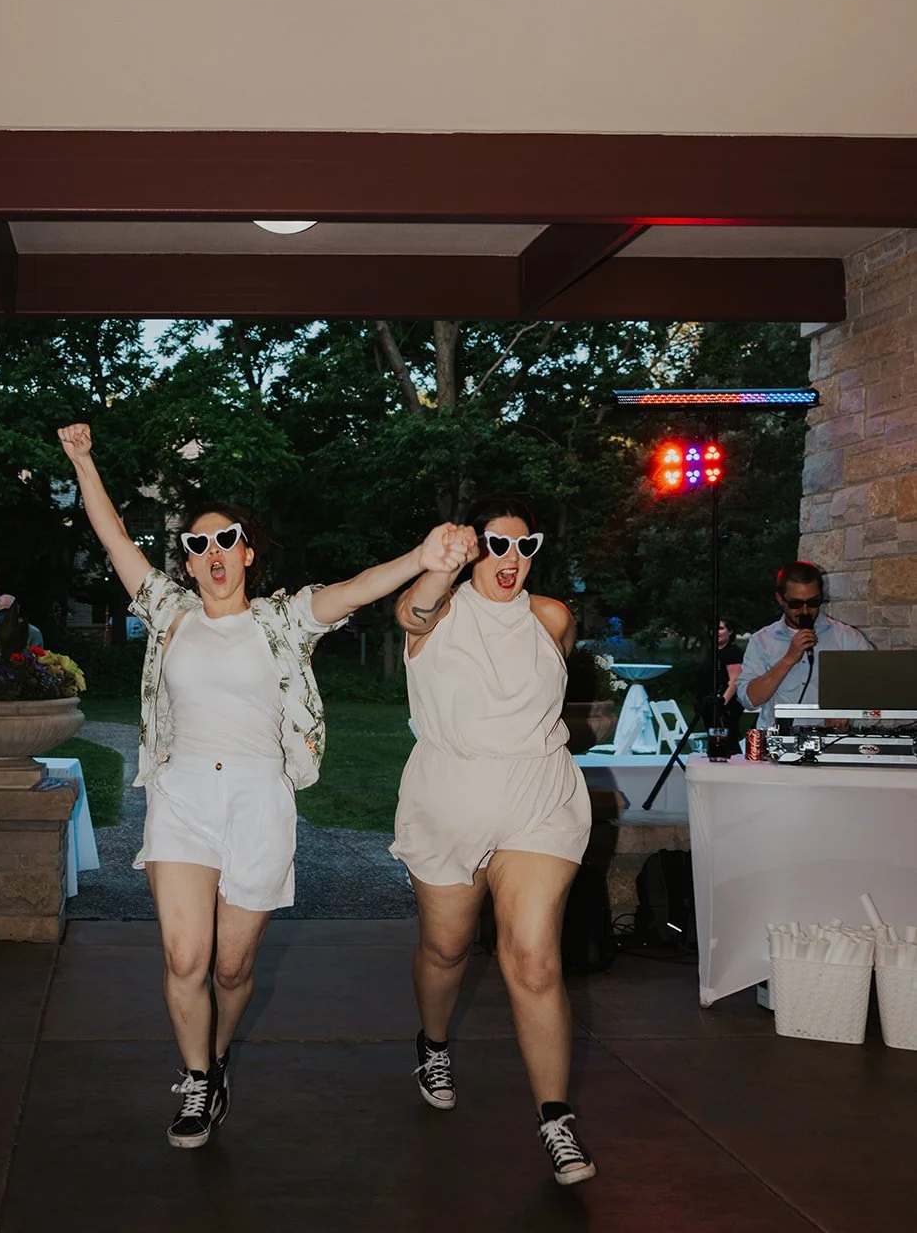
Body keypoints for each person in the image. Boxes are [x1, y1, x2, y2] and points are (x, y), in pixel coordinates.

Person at [57, 421, 468, 1150]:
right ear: (185, 564)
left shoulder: (281, 621)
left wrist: (420, 557)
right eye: (197, 545)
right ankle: (196, 1079)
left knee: (230, 965)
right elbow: (115, 537)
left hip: (258, 800)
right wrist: (84, 461)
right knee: (184, 958)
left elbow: (351, 592)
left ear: (247, 551)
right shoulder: (169, 614)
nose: (212, 554)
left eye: (226, 540)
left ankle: (217, 1057)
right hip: (183, 794)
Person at [391, 497, 596, 1188]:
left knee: (533, 956)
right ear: (469, 548)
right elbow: (410, 615)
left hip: (538, 799)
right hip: (447, 797)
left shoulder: (552, 618)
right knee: (446, 947)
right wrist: (434, 568)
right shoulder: (438, 611)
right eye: (495, 546)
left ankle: (555, 1118)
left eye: (524, 546)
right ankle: (434, 1042)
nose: (510, 561)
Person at [737, 561, 873, 727]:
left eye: (813, 602)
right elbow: (750, 700)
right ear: (780, 599)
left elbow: (873, 691)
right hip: (779, 743)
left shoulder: (847, 637)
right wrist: (788, 658)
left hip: (831, 742)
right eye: (795, 604)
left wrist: (848, 716)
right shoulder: (762, 640)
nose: (805, 610)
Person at [696, 617, 746, 752]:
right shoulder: (712, 652)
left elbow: (734, 681)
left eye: (721, 628)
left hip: (724, 706)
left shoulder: (733, 652)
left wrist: (721, 704)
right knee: (715, 741)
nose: (716, 632)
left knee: (727, 741)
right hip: (708, 704)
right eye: (713, 629)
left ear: (730, 632)